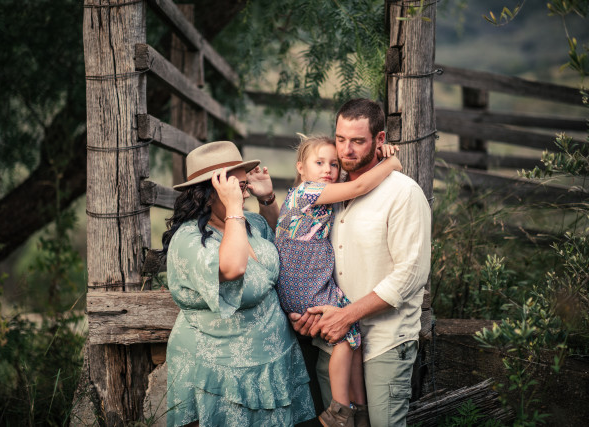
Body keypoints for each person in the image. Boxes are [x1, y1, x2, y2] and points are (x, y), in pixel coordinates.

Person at [290, 99, 432, 427]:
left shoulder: (403, 194)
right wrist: (307, 312)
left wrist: (348, 315)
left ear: (380, 140)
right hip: (333, 340)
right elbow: (297, 246)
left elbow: (411, 274)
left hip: (384, 341)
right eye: (340, 139)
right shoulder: (330, 191)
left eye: (357, 141)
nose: (346, 150)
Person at [162, 141, 316, 427]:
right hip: (221, 373)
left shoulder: (249, 223)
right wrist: (234, 206)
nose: (244, 194)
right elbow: (232, 268)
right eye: (238, 187)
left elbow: (280, 238)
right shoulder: (189, 239)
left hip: (273, 362)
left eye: (245, 186)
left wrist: (267, 199)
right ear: (210, 192)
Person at [274, 133, 401, 427]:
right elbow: (359, 185)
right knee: (345, 335)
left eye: (334, 164)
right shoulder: (308, 191)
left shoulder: (318, 193)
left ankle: (359, 408)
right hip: (303, 281)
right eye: (319, 163)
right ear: (301, 168)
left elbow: (358, 176)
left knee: (353, 335)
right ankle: (339, 411)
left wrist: (379, 154)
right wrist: (392, 163)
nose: (328, 170)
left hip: (305, 279)